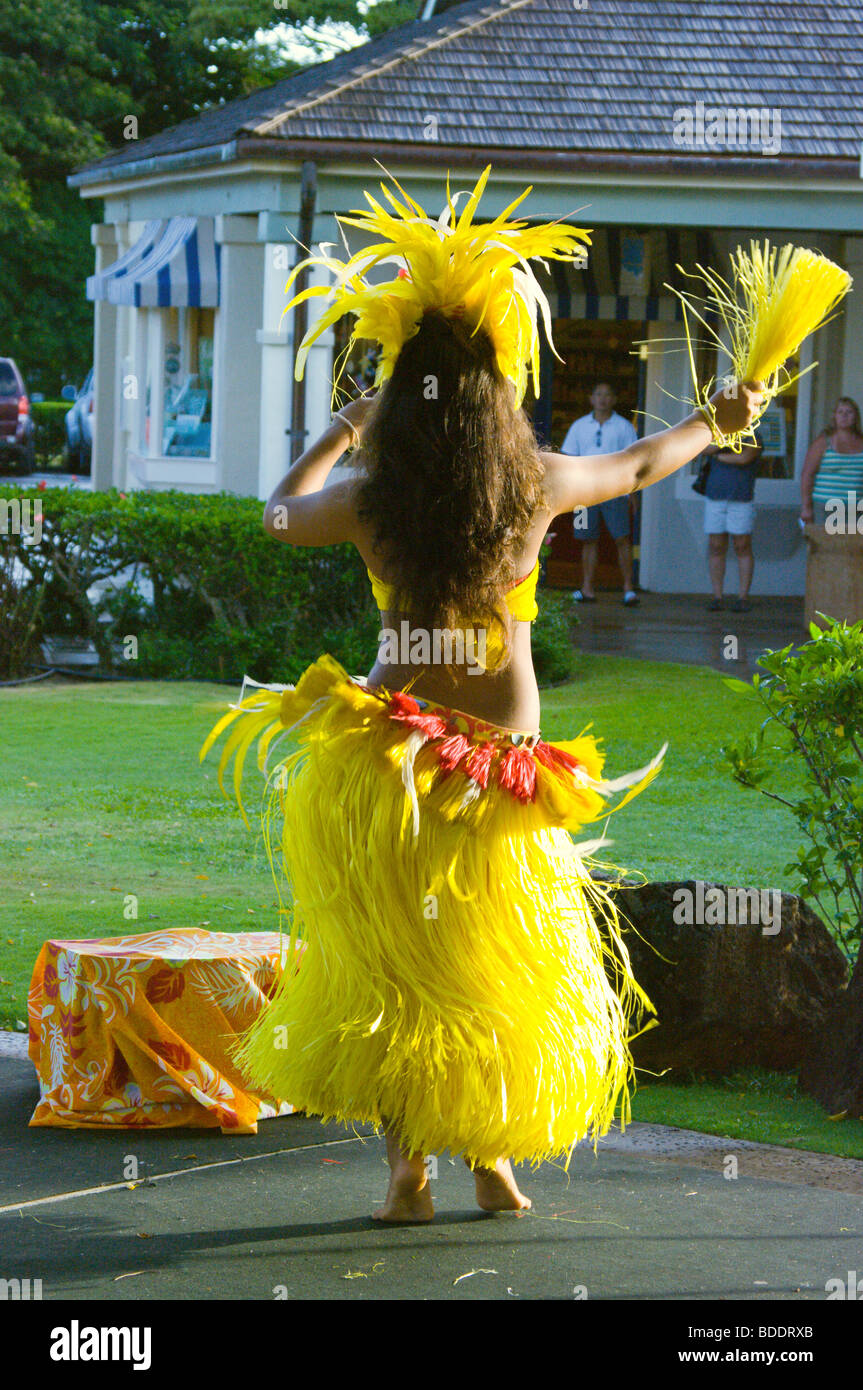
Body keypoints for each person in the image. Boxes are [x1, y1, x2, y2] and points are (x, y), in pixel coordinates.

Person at [201, 167, 764, 1224]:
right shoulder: (535, 483)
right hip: (500, 773)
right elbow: (639, 464)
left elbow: (278, 513)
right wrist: (716, 419)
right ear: (499, 391)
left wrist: (345, 427)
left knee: (398, 970)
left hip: (389, 765)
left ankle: (407, 1172)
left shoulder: (371, 496)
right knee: (490, 967)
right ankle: (491, 1163)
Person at [560, 382, 640, 606]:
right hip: (584, 493)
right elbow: (569, 459)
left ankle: (628, 589)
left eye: (607, 394)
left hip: (616, 490)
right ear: (591, 399)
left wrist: (633, 494)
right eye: (598, 394)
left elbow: (633, 461)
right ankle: (587, 588)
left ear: (614, 399)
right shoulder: (579, 426)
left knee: (622, 538)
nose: (603, 399)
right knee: (587, 539)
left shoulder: (624, 426)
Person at [701, 426, 763, 611]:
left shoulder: (754, 435)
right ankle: (717, 596)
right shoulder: (716, 433)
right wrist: (727, 443)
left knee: (742, 545)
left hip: (741, 498)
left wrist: (718, 455)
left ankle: (743, 597)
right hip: (715, 497)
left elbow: (744, 458)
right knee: (716, 546)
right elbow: (703, 448)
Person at [800, 397, 863, 529]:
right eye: (840, 412)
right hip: (825, 507)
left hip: (856, 509)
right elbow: (807, 475)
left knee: (852, 542)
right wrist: (806, 507)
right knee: (824, 542)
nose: (844, 416)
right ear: (834, 416)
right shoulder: (823, 442)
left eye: (849, 412)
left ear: (856, 417)